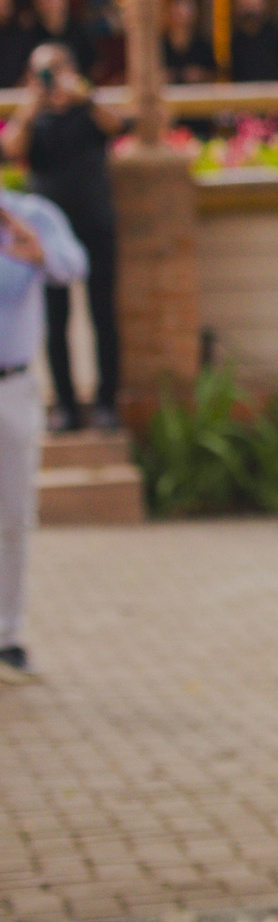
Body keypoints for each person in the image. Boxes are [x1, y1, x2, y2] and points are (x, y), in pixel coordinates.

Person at [1, 45, 124, 433]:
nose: (51, 79)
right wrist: (30, 105)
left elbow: (118, 125)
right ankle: (66, 407)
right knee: (56, 321)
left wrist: (83, 93)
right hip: (45, 236)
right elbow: (9, 149)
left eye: (56, 70)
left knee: (103, 314)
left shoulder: (86, 112)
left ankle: (106, 404)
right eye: (43, 72)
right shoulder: (34, 119)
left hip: (94, 223)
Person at [0, 187, 88, 683]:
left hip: (11, 386)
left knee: (13, 515)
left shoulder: (33, 214)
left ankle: (7, 636)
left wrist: (41, 253)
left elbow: (75, 265)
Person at [227, 0, 278, 83]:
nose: (249, 11)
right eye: (245, 6)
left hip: (275, 89)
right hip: (245, 91)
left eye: (253, 6)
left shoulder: (276, 33)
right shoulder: (237, 39)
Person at [25, 0, 91, 78]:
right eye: (40, 1)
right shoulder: (28, 34)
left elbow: (94, 65)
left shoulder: (81, 30)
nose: (46, 6)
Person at [162, 0, 217, 84]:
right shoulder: (159, 45)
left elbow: (214, 74)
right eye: (177, 14)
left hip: (196, 95)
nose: (180, 20)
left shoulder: (201, 45)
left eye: (184, 15)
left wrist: (200, 75)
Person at [0, 0, 34, 93]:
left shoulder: (21, 33)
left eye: (7, 1)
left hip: (16, 95)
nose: (3, 4)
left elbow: (29, 66)